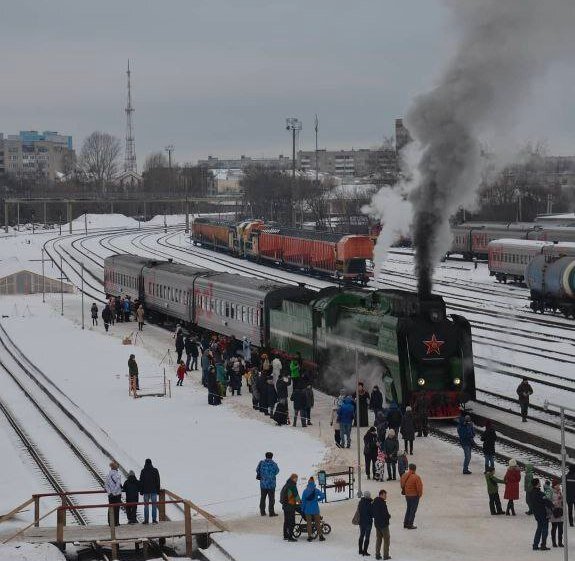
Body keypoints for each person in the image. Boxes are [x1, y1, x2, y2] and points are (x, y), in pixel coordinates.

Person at [300, 477, 325, 542]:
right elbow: (323, 496)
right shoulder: (316, 490)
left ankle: (309, 536)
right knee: (317, 523)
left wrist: (302, 509)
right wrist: (317, 499)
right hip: (315, 509)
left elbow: (303, 501)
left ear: (308, 483)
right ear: (313, 483)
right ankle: (320, 536)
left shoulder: (305, 491)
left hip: (307, 510)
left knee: (309, 523)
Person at [532, 478, 553, 550]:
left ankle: (535, 544)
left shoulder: (532, 492)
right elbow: (546, 501)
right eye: (539, 482)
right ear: (537, 484)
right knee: (545, 528)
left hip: (536, 513)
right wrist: (552, 506)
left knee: (539, 528)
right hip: (543, 513)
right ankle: (543, 545)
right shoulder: (540, 493)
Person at [400, 463, 423, 530]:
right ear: (415, 469)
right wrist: (420, 494)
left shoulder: (404, 475)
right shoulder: (416, 477)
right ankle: (410, 524)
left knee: (408, 509)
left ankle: (405, 523)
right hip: (414, 496)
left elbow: (401, 484)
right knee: (413, 510)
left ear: (409, 468)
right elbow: (419, 487)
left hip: (407, 495)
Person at [257, 452, 280, 517]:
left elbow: (257, 470)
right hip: (271, 484)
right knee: (271, 499)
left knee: (263, 498)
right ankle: (271, 512)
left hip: (263, 484)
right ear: (272, 456)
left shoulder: (261, 463)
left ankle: (262, 512)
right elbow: (277, 471)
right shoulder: (274, 464)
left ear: (266, 456)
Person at [140, 459, 161, 524]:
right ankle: (154, 520)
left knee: (146, 506)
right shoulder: (155, 470)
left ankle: (146, 520)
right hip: (153, 490)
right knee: (154, 505)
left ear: (145, 463)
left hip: (146, 491)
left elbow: (141, 481)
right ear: (151, 463)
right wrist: (158, 490)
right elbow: (158, 480)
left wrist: (141, 490)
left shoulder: (143, 471)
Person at [280, 474, 300, 541]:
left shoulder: (286, 485)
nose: (296, 480)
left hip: (285, 506)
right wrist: (300, 503)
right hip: (290, 506)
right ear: (293, 478)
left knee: (286, 521)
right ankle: (290, 537)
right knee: (292, 522)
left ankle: (285, 535)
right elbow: (296, 495)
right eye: (296, 479)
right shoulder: (292, 485)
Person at [372, 489, 391, 560]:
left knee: (379, 539)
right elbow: (384, 514)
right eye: (384, 495)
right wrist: (388, 516)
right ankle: (386, 556)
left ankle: (377, 554)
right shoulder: (382, 503)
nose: (386, 496)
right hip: (384, 525)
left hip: (377, 524)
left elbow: (373, 513)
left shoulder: (374, 502)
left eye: (386, 495)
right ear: (380, 495)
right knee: (386, 540)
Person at [105, 460, 123, 526]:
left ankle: (110, 522)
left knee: (110, 508)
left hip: (110, 495)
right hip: (117, 494)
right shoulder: (118, 475)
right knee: (116, 508)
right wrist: (114, 492)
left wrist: (110, 493)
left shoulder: (108, 475)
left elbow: (106, 485)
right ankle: (116, 522)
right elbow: (118, 485)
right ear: (116, 468)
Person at [358, 491, 373, 556]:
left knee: (361, 535)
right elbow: (372, 514)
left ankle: (360, 550)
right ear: (369, 496)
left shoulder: (360, 502)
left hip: (361, 522)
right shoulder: (370, 504)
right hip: (368, 522)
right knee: (367, 537)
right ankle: (365, 551)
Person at [550, 478, 564, 547]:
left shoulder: (560, 492)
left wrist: (562, 499)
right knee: (554, 528)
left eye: (559, 485)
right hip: (554, 512)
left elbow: (562, 502)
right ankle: (554, 542)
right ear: (554, 485)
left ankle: (560, 542)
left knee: (561, 528)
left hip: (560, 511)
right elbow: (550, 502)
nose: (559, 486)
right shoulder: (551, 492)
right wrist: (557, 501)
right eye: (557, 485)